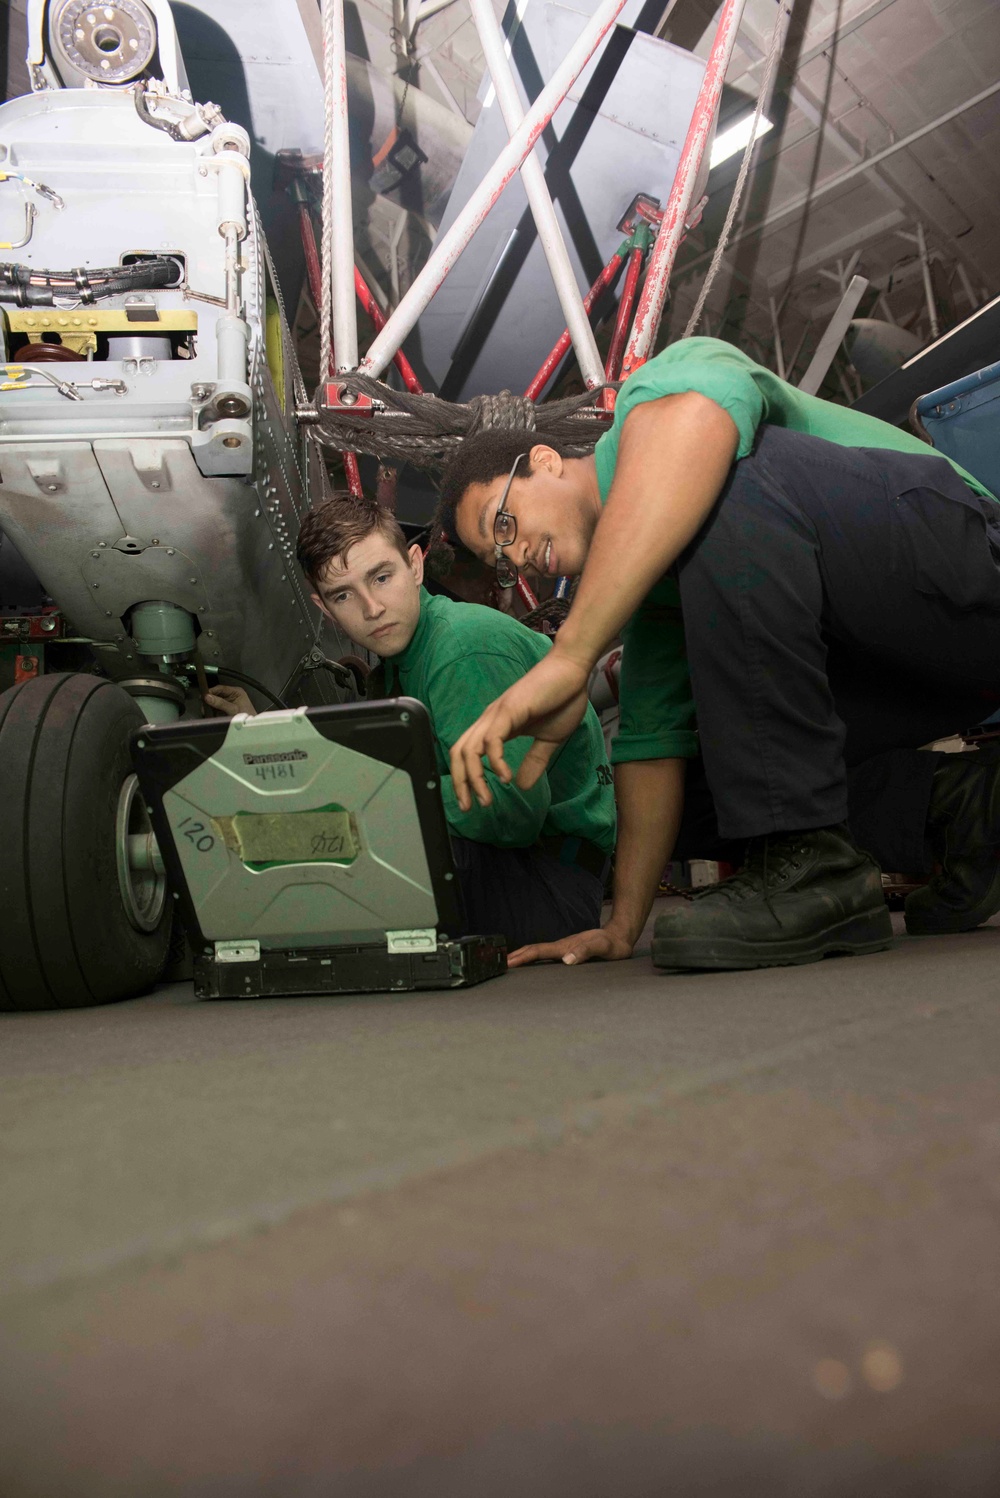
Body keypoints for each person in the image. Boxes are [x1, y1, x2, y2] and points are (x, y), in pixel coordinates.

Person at [434, 336, 1000, 972]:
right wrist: (622, 928)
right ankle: (966, 812)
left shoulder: (657, 392)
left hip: (967, 571)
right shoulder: (656, 592)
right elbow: (649, 745)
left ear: (544, 460)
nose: (510, 557)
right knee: (697, 774)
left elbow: (698, 421)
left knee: (720, 479)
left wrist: (571, 656)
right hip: (930, 674)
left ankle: (812, 865)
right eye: (497, 562)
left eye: (501, 525)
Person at [205, 495, 616, 952]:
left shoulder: (461, 645)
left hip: (544, 884)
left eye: (382, 577)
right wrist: (262, 734)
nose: (372, 608)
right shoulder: (398, 664)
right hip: (515, 868)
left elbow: (510, 811)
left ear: (415, 566)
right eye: (344, 595)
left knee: (333, 847)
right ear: (325, 609)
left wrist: (361, 795)